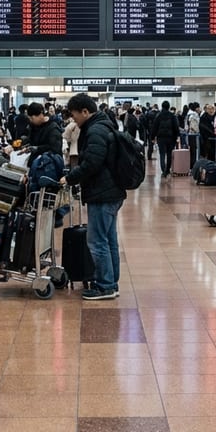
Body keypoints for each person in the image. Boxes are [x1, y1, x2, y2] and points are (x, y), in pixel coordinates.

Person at [58, 93, 125, 301]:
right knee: (109, 240)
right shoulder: (105, 125)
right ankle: (111, 283)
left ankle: (105, 286)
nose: (73, 120)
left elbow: (92, 164)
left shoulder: (95, 130)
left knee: (97, 242)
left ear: (85, 112)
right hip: (111, 191)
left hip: (102, 193)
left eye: (75, 115)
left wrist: (70, 178)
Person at [152, 100, 181, 177]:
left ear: (162, 106)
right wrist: (178, 136)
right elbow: (176, 127)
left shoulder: (158, 116)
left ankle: (163, 170)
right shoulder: (172, 116)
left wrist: (152, 137)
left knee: (162, 154)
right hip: (171, 138)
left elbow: (155, 127)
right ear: (168, 107)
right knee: (169, 154)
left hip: (161, 138)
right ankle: (167, 170)